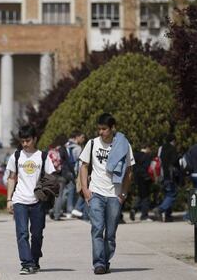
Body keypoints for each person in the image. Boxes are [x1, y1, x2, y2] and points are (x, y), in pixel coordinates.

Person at [79, 113, 134, 275]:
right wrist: (85, 189)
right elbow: (83, 166)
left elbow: (129, 171)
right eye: (99, 129)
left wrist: (123, 194)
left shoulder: (123, 145)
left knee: (110, 234)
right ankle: (99, 264)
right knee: (97, 228)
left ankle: (105, 259)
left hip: (114, 195)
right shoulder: (92, 143)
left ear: (112, 128)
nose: (101, 132)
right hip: (96, 192)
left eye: (104, 129)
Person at [6, 125, 55, 275]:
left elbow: (51, 177)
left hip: (37, 201)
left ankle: (34, 260)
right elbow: (11, 178)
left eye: (28, 140)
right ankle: (26, 263)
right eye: (22, 141)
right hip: (20, 199)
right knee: (22, 233)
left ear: (34, 139)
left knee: (37, 233)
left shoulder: (43, 156)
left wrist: (46, 190)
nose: (25, 144)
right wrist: (9, 199)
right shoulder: (16, 156)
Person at [153, 134, 179, 222]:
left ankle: (168, 216)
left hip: (162, 175)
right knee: (172, 194)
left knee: (167, 195)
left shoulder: (161, 148)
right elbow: (175, 161)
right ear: (173, 141)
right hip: (169, 175)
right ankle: (160, 209)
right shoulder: (172, 149)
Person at [130, 145, 153, 222]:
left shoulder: (135, 155)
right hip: (145, 178)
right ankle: (144, 215)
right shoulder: (147, 156)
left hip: (137, 178)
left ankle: (134, 209)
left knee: (140, 195)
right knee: (146, 197)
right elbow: (147, 168)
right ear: (146, 148)